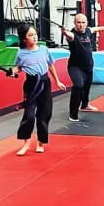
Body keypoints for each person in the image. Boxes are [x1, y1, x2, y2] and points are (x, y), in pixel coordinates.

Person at [11, 25, 66, 156]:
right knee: (29, 115)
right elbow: (19, 67)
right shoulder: (21, 53)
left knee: (44, 114)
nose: (34, 37)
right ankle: (26, 143)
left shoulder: (44, 50)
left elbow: (50, 65)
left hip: (44, 83)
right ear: (24, 39)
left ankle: (41, 142)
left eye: (35, 34)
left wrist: (57, 81)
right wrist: (13, 72)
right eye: (30, 35)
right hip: (31, 85)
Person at [61, 13, 104, 122]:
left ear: (86, 23)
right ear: (75, 23)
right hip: (75, 67)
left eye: (83, 22)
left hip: (88, 65)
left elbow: (94, 29)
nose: (81, 25)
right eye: (78, 22)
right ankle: (73, 114)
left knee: (87, 87)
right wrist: (64, 32)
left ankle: (84, 105)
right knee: (78, 85)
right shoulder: (73, 35)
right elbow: (69, 35)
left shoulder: (88, 31)